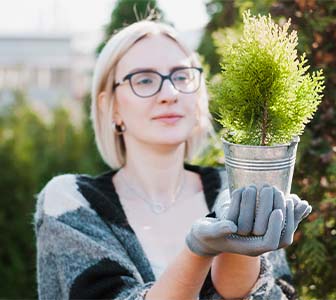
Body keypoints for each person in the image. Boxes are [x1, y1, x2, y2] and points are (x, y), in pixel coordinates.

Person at [34, 19, 312, 300]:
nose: (170, 94)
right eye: (144, 79)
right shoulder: (72, 203)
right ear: (111, 106)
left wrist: (241, 250)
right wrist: (197, 252)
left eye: (181, 77)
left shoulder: (235, 191)